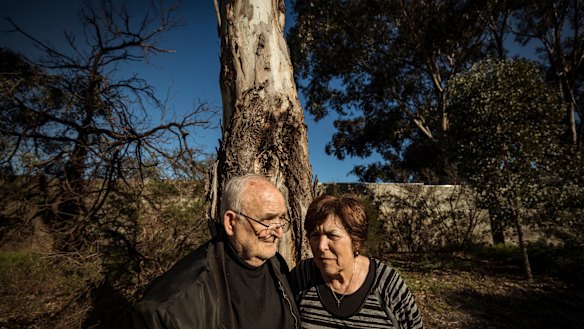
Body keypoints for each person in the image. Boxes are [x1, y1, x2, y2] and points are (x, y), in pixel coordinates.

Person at [133, 174, 301, 329]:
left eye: (281, 219)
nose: (278, 231)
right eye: (267, 220)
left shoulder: (277, 264)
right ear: (231, 222)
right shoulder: (172, 307)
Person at [289, 194, 424, 329]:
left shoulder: (386, 284)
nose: (321, 246)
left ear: (356, 242)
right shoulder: (304, 275)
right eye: (315, 235)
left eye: (332, 236)